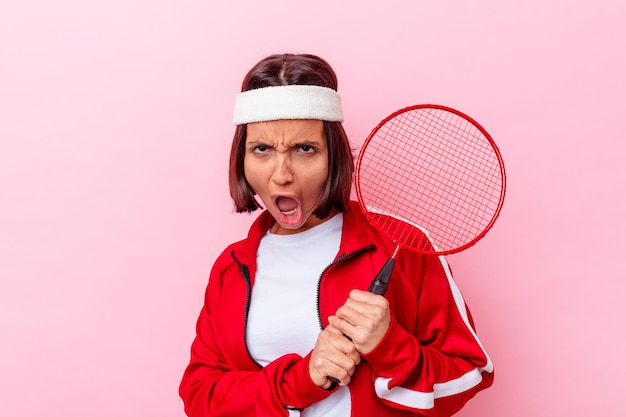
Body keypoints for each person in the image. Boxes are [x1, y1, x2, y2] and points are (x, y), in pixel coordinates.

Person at [179, 53, 494, 417]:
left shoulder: (400, 245)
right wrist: (301, 379)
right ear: (242, 160)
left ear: (334, 156)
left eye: (305, 149)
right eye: (261, 149)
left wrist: (389, 346)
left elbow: (471, 374)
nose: (281, 175)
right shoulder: (232, 267)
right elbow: (200, 398)